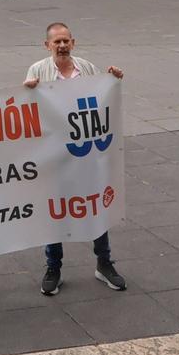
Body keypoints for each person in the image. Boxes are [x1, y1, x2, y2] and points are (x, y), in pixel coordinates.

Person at [23, 23, 128, 293]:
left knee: (96, 206)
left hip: (87, 155)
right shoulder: (38, 71)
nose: (61, 46)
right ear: (46, 45)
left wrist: (111, 81)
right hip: (55, 157)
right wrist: (28, 92)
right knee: (55, 210)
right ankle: (53, 266)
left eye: (65, 41)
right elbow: (30, 114)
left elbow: (101, 104)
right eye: (56, 42)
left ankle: (104, 262)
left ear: (73, 42)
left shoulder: (87, 68)